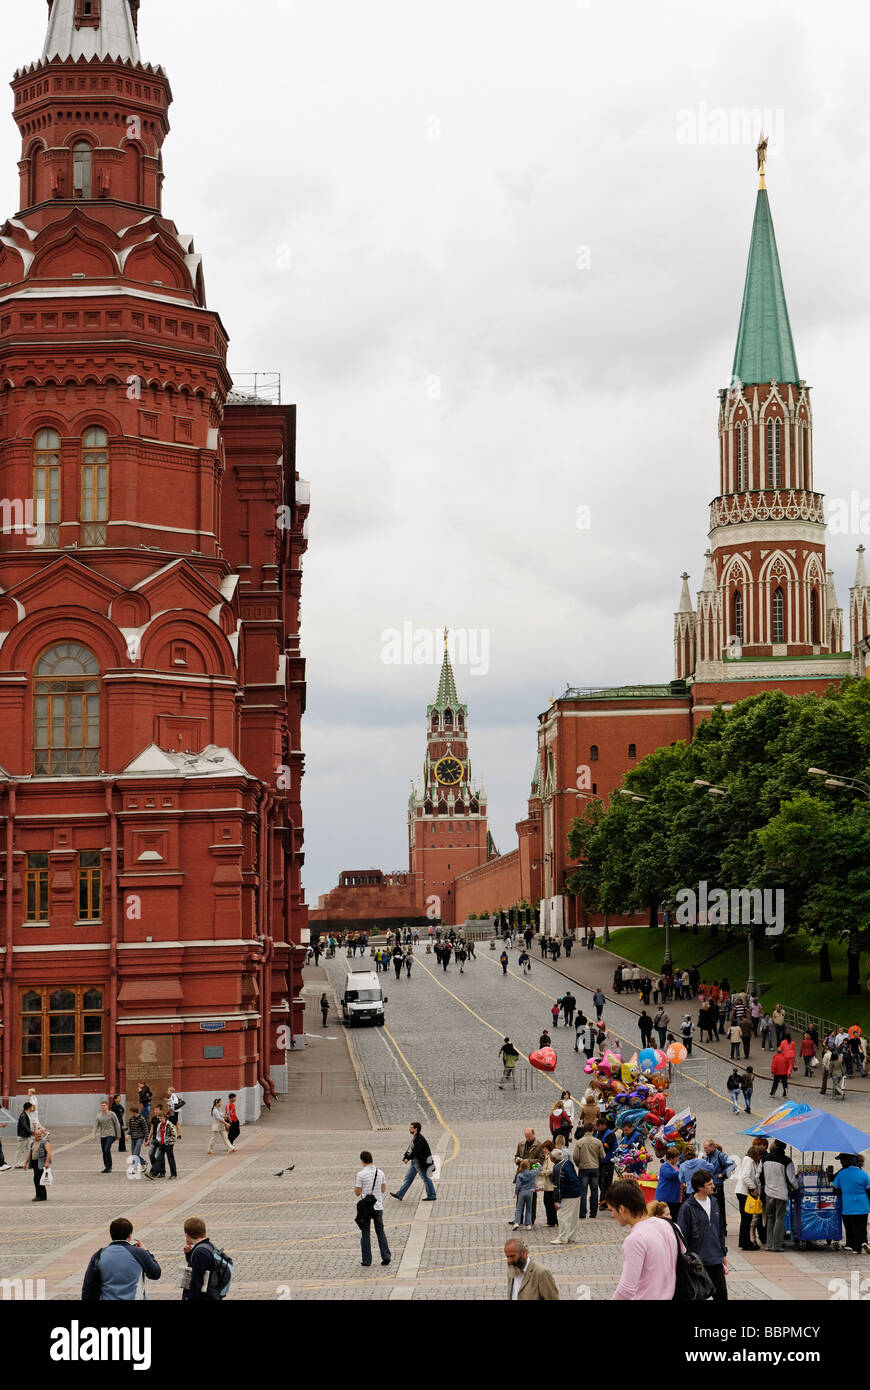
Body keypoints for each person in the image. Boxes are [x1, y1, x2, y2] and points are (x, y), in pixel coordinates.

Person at [609, 1178, 678, 1300]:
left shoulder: (635, 1239)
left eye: (611, 1210)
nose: (612, 1215)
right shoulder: (667, 1225)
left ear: (621, 1209)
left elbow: (626, 1289)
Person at [677, 1170, 728, 1301]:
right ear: (700, 1187)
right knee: (697, 1297)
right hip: (697, 1262)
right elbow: (682, 1236)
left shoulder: (714, 1202)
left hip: (715, 1259)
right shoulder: (687, 1208)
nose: (713, 1186)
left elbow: (720, 1229)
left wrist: (723, 1253)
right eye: (709, 1184)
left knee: (722, 1295)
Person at [81, 1218, 161, 1300]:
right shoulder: (139, 1254)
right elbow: (155, 1273)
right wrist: (146, 1252)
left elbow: (88, 1288)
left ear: (111, 1235)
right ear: (130, 1235)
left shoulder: (98, 1255)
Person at [355, 1151, 392, 1267]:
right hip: (378, 1206)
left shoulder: (361, 1174)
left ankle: (367, 1260)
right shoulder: (380, 1173)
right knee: (380, 1231)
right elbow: (383, 1189)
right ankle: (386, 1256)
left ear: (362, 1161)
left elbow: (357, 1192)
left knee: (365, 1232)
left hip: (366, 1208)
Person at [759, 1140, 796, 1252]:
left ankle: (769, 1244)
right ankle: (777, 1245)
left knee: (770, 1218)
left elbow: (758, 1175)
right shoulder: (787, 1160)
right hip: (781, 1193)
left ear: (774, 1145)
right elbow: (791, 1179)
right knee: (779, 1218)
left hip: (768, 1192)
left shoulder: (765, 1158)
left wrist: (764, 1185)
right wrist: (797, 1187)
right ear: (784, 1147)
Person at [832, 1154, 870, 1254]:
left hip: (848, 1204)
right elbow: (869, 1190)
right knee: (861, 1226)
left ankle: (853, 1246)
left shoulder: (842, 1173)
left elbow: (835, 1187)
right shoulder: (863, 1174)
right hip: (863, 1204)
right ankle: (863, 1242)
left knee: (850, 1226)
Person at [182, 1216, 227, 1299]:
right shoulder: (208, 1246)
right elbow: (201, 1267)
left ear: (187, 1235)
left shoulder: (199, 1252)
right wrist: (189, 1254)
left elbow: (196, 1281)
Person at [391, 1121, 437, 1202]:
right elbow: (411, 1150)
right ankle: (400, 1194)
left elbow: (416, 1151)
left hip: (419, 1162)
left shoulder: (420, 1138)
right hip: (414, 1162)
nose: (409, 1129)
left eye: (411, 1127)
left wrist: (408, 1158)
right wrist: (406, 1157)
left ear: (416, 1129)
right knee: (408, 1178)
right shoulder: (416, 1137)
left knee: (425, 1178)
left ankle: (432, 1195)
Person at [736, 1143, 765, 1251]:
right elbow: (745, 1176)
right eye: (760, 1155)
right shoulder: (749, 1161)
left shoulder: (749, 1160)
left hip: (743, 1192)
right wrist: (753, 1187)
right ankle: (745, 1243)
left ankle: (745, 1241)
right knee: (746, 1218)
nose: (760, 1158)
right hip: (744, 1192)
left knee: (746, 1219)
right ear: (756, 1154)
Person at [573, 1124, 605, 1219]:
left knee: (583, 1191)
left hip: (583, 1167)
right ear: (593, 1130)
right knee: (594, 1191)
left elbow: (575, 1156)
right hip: (595, 1168)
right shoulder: (598, 1142)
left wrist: (578, 1164)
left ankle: (582, 1212)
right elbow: (602, 1156)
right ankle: (593, 1213)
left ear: (584, 1130)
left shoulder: (580, 1142)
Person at [550, 1146, 582, 1244]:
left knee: (562, 1215)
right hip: (576, 1192)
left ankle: (562, 1238)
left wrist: (556, 1200)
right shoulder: (568, 1163)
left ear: (553, 1158)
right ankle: (572, 1236)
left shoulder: (557, 1168)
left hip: (568, 1194)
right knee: (574, 1217)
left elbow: (558, 1186)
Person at [514, 1129, 545, 1226]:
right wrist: (517, 1160)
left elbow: (541, 1160)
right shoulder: (521, 1144)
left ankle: (531, 1219)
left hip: (532, 1173)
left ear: (533, 1134)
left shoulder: (539, 1145)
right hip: (521, 1171)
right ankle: (518, 1219)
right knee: (519, 1199)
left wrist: (527, 1161)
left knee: (532, 1200)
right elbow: (516, 1155)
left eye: (529, 1136)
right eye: (526, 1136)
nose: (527, 1138)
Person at [145, 1108, 178, 1179]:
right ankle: (152, 1173)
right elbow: (158, 1134)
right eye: (160, 1118)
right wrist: (159, 1141)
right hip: (161, 1144)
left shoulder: (169, 1125)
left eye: (162, 1118)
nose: (160, 1120)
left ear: (165, 1118)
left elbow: (174, 1135)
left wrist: (169, 1142)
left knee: (170, 1159)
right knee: (159, 1159)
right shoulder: (160, 1125)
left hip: (168, 1145)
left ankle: (174, 1174)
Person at [654, 1146, 682, 1221]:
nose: (677, 1159)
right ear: (671, 1158)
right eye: (676, 1157)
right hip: (666, 1197)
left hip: (674, 1197)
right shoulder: (665, 1166)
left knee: (674, 1217)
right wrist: (682, 1170)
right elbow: (671, 1175)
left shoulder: (676, 1166)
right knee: (666, 1218)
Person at [93, 1099, 121, 1173]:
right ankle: (106, 1167)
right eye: (101, 1106)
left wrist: (118, 1135)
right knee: (104, 1152)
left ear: (107, 1106)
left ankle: (109, 1166)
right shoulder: (99, 1115)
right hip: (103, 1135)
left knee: (106, 1149)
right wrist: (93, 1135)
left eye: (104, 1106)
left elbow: (117, 1124)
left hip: (111, 1134)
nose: (103, 1107)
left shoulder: (112, 1114)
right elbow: (96, 1126)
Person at [26, 1125, 51, 1201]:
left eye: (40, 1134)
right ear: (34, 1135)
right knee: (38, 1179)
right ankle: (42, 1196)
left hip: (40, 1163)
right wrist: (25, 1162)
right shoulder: (32, 1142)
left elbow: (49, 1152)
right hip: (34, 1163)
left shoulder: (45, 1142)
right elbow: (30, 1153)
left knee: (37, 1179)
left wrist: (47, 1162)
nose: (39, 1135)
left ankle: (39, 1195)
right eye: (37, 1134)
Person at [538, 1141, 559, 1228]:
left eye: (545, 1148)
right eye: (543, 1148)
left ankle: (552, 1221)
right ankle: (551, 1221)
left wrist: (540, 1172)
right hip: (548, 1185)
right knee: (548, 1203)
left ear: (549, 1148)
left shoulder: (550, 1158)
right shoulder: (548, 1157)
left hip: (550, 1185)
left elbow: (550, 1170)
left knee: (549, 1203)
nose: (544, 1150)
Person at [512, 1159, 536, 1229]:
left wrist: (516, 1193)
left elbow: (518, 1185)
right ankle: (528, 1224)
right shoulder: (532, 1173)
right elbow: (539, 1169)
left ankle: (517, 1222)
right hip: (530, 1192)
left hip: (522, 1192)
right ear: (529, 1166)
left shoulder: (519, 1175)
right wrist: (536, 1165)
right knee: (529, 1209)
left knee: (519, 1209)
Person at [127, 1106, 149, 1173]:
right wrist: (128, 1134)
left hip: (140, 1138)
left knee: (135, 1153)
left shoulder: (142, 1119)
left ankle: (134, 1168)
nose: (131, 1113)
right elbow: (130, 1128)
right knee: (134, 1154)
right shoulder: (131, 1119)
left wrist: (146, 1139)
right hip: (133, 1138)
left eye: (131, 1112)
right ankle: (144, 1162)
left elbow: (146, 1129)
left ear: (135, 1112)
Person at [14, 1101, 34, 1168]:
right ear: (29, 1108)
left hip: (27, 1136)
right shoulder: (23, 1116)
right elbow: (25, 1126)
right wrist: (32, 1132)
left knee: (30, 1149)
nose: (32, 1108)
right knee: (20, 1150)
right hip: (23, 1136)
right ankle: (17, 1164)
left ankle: (29, 1163)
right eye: (31, 1107)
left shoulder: (26, 1114)